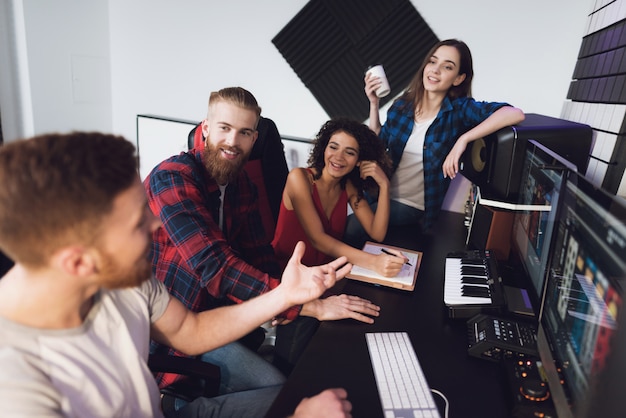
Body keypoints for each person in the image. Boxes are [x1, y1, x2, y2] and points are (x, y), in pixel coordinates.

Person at [0, 132, 353, 417]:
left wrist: (284, 296)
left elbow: (189, 330)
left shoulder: (126, 279)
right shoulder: (19, 386)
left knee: (291, 392)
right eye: (138, 222)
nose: (155, 224)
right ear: (78, 262)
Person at [144, 87, 380, 391]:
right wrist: (305, 305)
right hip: (171, 333)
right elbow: (217, 268)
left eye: (244, 133)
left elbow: (260, 256)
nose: (232, 141)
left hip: (225, 313)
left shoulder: (241, 185)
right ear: (205, 129)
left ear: (254, 139)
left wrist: (300, 293)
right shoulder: (173, 177)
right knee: (277, 388)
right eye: (224, 128)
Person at [346, 38, 525, 245]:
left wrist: (463, 140)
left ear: (458, 78)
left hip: (412, 206)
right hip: (379, 193)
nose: (436, 70)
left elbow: (514, 114)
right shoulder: (402, 105)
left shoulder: (459, 111)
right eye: (433, 62)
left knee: (352, 228)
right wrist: (374, 104)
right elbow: (378, 141)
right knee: (344, 220)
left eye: (447, 66)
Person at [272, 117, 404, 277]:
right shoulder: (299, 178)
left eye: (349, 152)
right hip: (286, 275)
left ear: (359, 161)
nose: (339, 157)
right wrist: (374, 262)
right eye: (333, 147)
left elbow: (377, 233)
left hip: (326, 274)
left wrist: (385, 186)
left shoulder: (348, 187)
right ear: (324, 149)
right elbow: (318, 239)